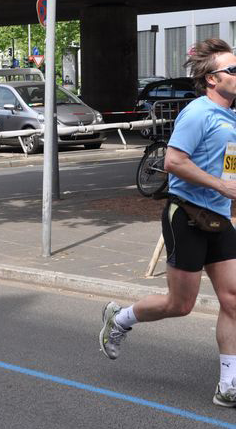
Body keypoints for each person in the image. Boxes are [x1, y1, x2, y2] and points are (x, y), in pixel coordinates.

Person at [99, 38, 236, 408]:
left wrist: (228, 191)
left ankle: (228, 385)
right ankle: (121, 318)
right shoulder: (197, 113)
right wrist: (220, 185)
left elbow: (227, 166)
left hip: (219, 217)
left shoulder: (231, 117)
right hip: (186, 215)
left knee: (233, 298)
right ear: (211, 79)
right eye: (232, 70)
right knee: (181, 304)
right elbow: (173, 162)